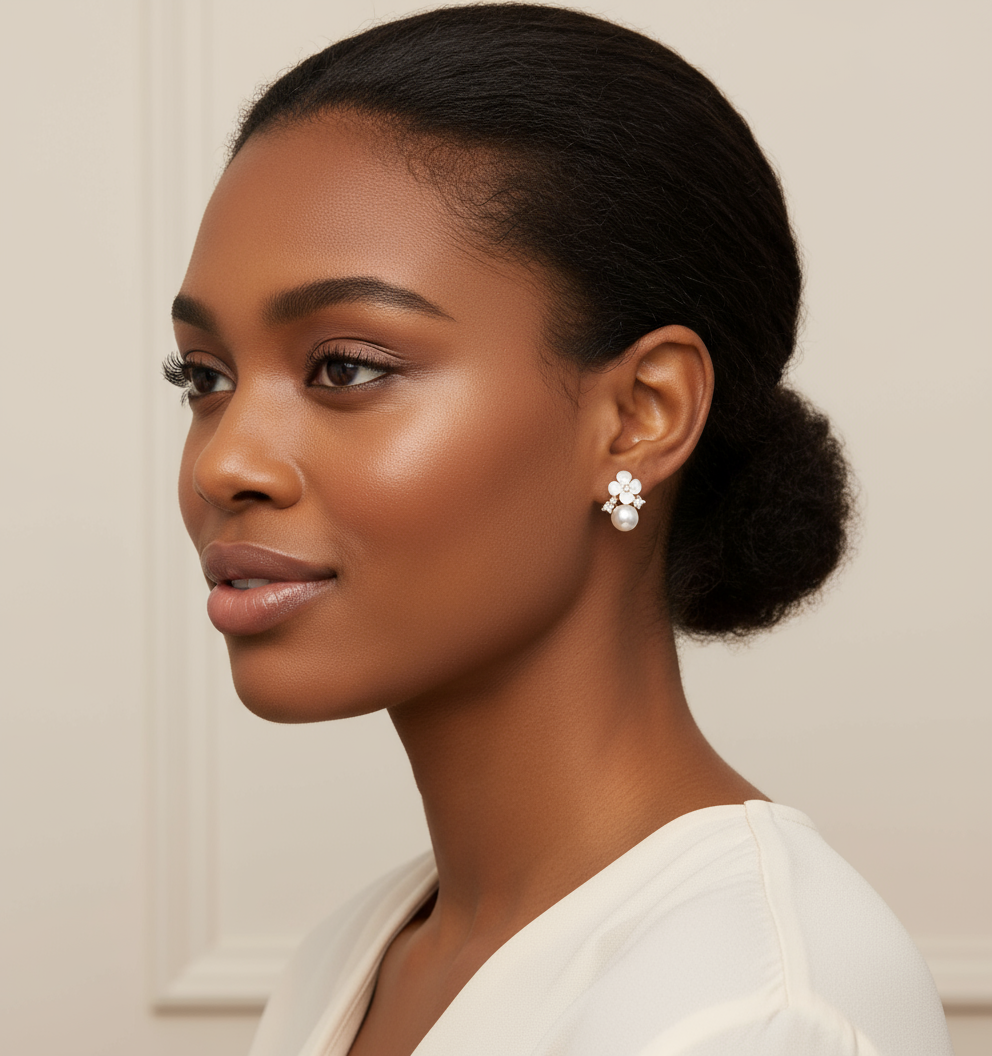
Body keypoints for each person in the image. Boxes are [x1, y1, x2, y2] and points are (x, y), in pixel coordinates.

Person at [165, 5, 952, 1054]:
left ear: (638, 416)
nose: (224, 462)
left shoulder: (744, 1009)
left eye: (345, 367)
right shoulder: (351, 958)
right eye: (204, 378)